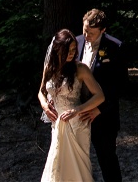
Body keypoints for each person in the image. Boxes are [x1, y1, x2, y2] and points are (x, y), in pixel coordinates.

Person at [39, 29, 105, 182]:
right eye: (67, 50)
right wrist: (45, 106)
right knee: (58, 164)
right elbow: (41, 91)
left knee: (78, 168)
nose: (71, 53)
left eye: (74, 49)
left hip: (77, 123)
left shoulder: (80, 69)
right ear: (57, 50)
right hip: (57, 123)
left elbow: (100, 96)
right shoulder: (50, 67)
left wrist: (78, 110)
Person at [76, 9, 127, 182]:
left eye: (91, 32)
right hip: (78, 112)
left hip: (104, 116)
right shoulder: (75, 43)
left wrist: (100, 109)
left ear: (103, 30)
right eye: (84, 30)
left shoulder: (115, 47)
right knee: (77, 159)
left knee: (107, 160)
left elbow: (120, 85)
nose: (86, 34)